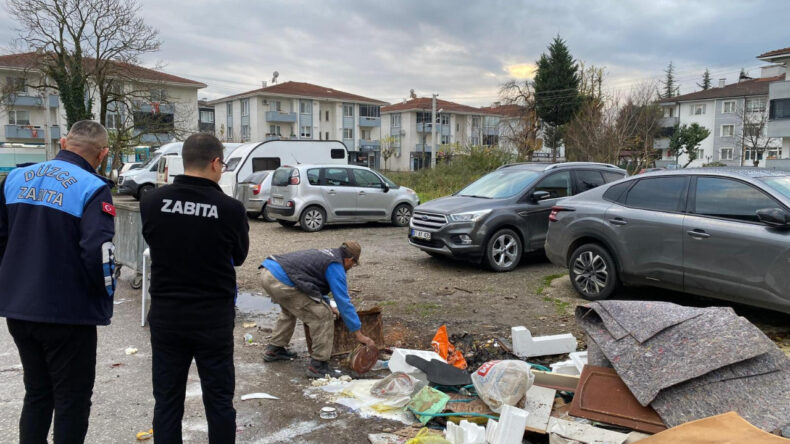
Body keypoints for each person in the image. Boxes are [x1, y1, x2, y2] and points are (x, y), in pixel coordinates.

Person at [0, 120, 115, 443]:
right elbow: (99, 253)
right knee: (71, 400)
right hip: (68, 313)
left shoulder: (14, 178)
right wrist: (103, 297)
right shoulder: (92, 187)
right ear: (102, 154)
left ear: (64, 142)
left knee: (37, 393)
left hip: (19, 310)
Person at [140, 133, 249, 443]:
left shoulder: (151, 201)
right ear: (215, 162)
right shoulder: (230, 209)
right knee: (218, 400)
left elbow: (155, 241)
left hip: (167, 315)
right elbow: (238, 257)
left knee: (167, 401)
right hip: (212, 317)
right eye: (223, 164)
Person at [260, 242, 375, 378]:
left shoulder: (328, 256)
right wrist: (358, 333)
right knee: (323, 316)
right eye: (353, 264)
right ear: (350, 260)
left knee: (291, 309)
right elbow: (343, 302)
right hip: (281, 279)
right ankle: (318, 366)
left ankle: (275, 349)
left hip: (269, 272)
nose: (351, 267)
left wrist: (328, 304)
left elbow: (313, 286)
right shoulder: (335, 266)